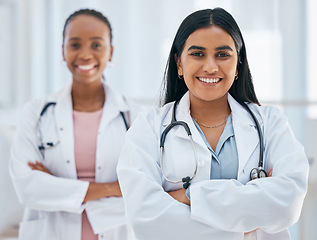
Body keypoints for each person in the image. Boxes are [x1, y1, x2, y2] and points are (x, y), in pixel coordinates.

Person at [116, 8, 309, 240]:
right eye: (197, 54)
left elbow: (288, 202)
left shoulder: (270, 124)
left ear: (238, 65)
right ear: (179, 63)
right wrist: (244, 220)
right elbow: (145, 218)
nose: (210, 67)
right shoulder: (148, 127)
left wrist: (189, 196)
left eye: (222, 55)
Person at [10, 9, 138, 240]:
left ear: (111, 52)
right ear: (63, 51)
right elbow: (28, 187)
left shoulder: (134, 116)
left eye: (97, 45)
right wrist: (114, 188)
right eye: (75, 45)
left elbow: (144, 189)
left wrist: (56, 185)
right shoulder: (36, 113)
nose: (85, 55)